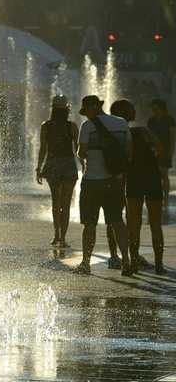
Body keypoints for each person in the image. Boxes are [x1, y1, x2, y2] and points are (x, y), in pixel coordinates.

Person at [75, 95, 133, 276]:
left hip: (92, 181)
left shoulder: (87, 126)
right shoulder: (121, 123)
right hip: (113, 181)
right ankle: (126, 261)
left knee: (89, 224)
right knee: (117, 221)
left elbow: (81, 153)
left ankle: (85, 263)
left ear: (92, 108)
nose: (85, 116)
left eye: (86, 111)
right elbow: (129, 151)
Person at [112, 100, 166, 274]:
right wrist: (152, 159)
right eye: (132, 109)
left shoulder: (118, 135)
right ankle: (159, 265)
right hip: (152, 178)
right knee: (155, 223)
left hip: (133, 179)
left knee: (133, 223)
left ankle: (133, 263)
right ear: (125, 113)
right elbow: (160, 149)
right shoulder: (143, 131)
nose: (135, 110)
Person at [36, 95, 79, 248]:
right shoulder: (71, 126)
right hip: (68, 164)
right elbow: (78, 149)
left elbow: (43, 149)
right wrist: (84, 165)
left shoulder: (46, 126)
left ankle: (56, 235)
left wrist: (38, 168)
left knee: (56, 202)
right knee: (66, 204)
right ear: (67, 110)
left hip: (53, 164)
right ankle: (63, 237)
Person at [147, 99, 175, 206]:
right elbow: (148, 136)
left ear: (161, 107)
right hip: (153, 151)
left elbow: (172, 137)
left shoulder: (169, 120)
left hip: (165, 150)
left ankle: (166, 198)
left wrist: (171, 152)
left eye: (155, 108)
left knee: (164, 174)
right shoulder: (151, 120)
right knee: (154, 175)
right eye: (152, 108)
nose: (153, 110)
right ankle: (157, 196)